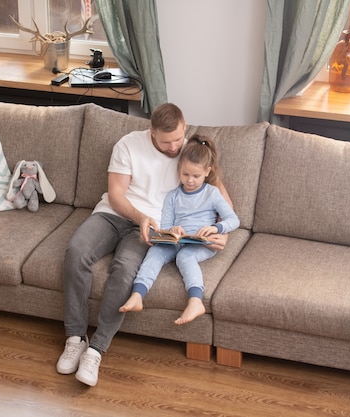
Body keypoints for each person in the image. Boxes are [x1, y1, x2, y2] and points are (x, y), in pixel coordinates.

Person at [57, 103, 233, 387]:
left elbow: (222, 199)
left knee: (125, 271)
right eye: (167, 142)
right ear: (152, 132)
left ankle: (96, 349)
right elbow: (116, 195)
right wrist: (140, 217)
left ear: (184, 126)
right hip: (114, 216)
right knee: (76, 252)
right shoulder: (128, 145)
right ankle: (75, 337)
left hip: (153, 230)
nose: (174, 147)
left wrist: (220, 231)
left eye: (178, 138)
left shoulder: (190, 151)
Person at [119, 135, 240, 325]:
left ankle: (195, 301)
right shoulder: (173, 196)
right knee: (156, 251)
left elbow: (233, 219)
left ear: (207, 172)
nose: (190, 180)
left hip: (201, 243)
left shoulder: (212, 193)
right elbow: (166, 225)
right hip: (179, 240)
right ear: (179, 170)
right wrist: (171, 231)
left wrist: (216, 228)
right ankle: (138, 294)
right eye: (185, 174)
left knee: (185, 257)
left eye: (196, 176)